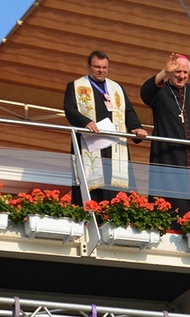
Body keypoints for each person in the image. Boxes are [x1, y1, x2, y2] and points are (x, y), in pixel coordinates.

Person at [140, 52, 190, 219]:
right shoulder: (161, 91)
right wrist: (164, 71)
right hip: (168, 155)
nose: (181, 76)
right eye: (178, 72)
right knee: (170, 199)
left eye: (185, 72)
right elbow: (145, 93)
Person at [63, 50, 147, 204]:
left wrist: (136, 127)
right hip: (90, 144)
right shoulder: (75, 86)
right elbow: (69, 109)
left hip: (114, 146)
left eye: (104, 67)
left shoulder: (116, 88)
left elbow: (128, 111)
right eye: (97, 67)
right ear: (89, 67)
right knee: (93, 187)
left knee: (116, 187)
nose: (101, 70)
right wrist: (85, 122)